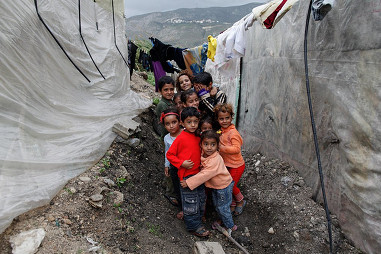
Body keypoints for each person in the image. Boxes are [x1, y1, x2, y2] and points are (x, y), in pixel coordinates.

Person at [180, 130, 237, 235]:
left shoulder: (215, 159)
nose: (209, 147)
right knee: (218, 205)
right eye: (206, 144)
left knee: (222, 207)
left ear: (217, 146)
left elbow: (205, 174)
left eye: (213, 145)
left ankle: (230, 225)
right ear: (201, 145)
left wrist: (188, 182)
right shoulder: (205, 154)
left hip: (223, 187)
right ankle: (224, 220)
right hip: (217, 186)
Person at [166, 107, 209, 237]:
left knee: (201, 198)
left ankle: (197, 217)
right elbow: (170, 155)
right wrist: (181, 163)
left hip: (199, 175)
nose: (193, 125)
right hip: (187, 176)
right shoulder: (180, 138)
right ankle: (193, 226)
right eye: (189, 122)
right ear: (182, 123)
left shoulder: (198, 137)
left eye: (195, 122)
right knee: (191, 201)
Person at [214, 103, 246, 216]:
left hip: (236, 165)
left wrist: (221, 148)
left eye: (227, 118)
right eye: (221, 119)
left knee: (230, 185)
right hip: (227, 164)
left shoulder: (233, 133)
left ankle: (240, 201)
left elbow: (236, 149)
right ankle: (232, 203)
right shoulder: (221, 131)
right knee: (227, 185)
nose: (224, 121)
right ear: (217, 120)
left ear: (231, 117)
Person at [161, 108, 184, 219]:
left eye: (174, 122)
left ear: (179, 122)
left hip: (187, 166)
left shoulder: (185, 133)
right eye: (167, 124)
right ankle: (182, 207)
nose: (171, 126)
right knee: (177, 186)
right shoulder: (167, 138)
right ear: (164, 126)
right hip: (175, 167)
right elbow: (167, 152)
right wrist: (167, 165)